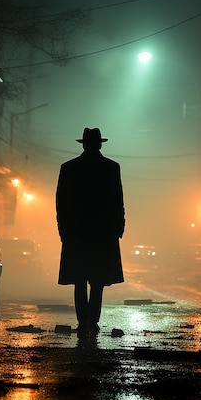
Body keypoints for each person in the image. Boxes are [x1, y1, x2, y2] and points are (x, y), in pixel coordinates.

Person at [56, 127, 125, 336]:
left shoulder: (69, 168)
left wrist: (63, 229)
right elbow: (117, 199)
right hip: (103, 234)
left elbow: (61, 203)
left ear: (84, 144)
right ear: (100, 144)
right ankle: (92, 321)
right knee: (97, 280)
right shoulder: (111, 168)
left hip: (76, 233)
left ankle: (83, 321)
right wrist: (119, 227)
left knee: (79, 279)